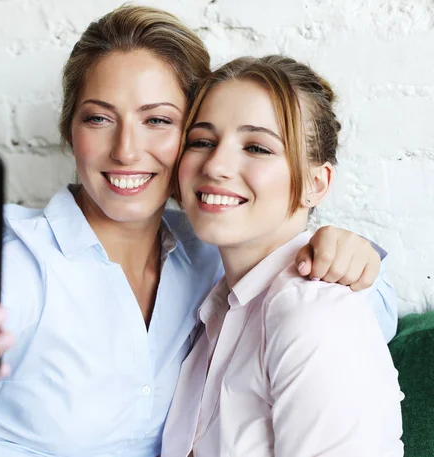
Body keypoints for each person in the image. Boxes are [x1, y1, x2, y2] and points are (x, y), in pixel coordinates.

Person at [0, 7, 397, 457]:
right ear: (70, 132)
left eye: (158, 120)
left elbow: (341, 319)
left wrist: (347, 252)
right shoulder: (18, 266)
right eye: (98, 118)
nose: (127, 150)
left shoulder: (211, 253)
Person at [162, 55, 403, 457]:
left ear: (316, 183)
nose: (216, 164)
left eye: (256, 147)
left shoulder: (311, 314)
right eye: (202, 141)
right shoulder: (221, 305)